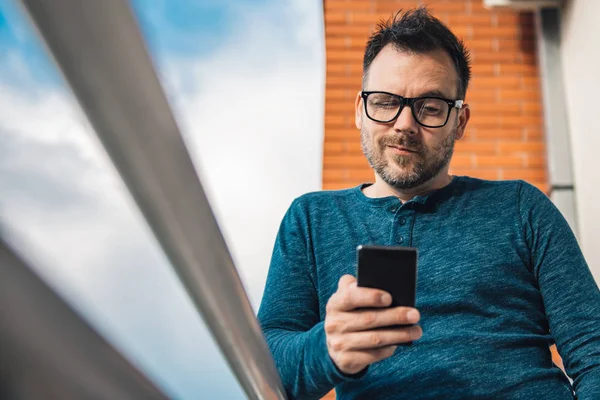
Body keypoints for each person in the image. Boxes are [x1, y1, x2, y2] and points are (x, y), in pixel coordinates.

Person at [257, 7, 600, 400]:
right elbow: (266, 370)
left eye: (430, 107)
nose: (405, 124)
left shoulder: (522, 208)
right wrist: (327, 348)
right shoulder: (311, 220)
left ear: (461, 121)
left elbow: (594, 348)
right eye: (386, 101)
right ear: (359, 111)